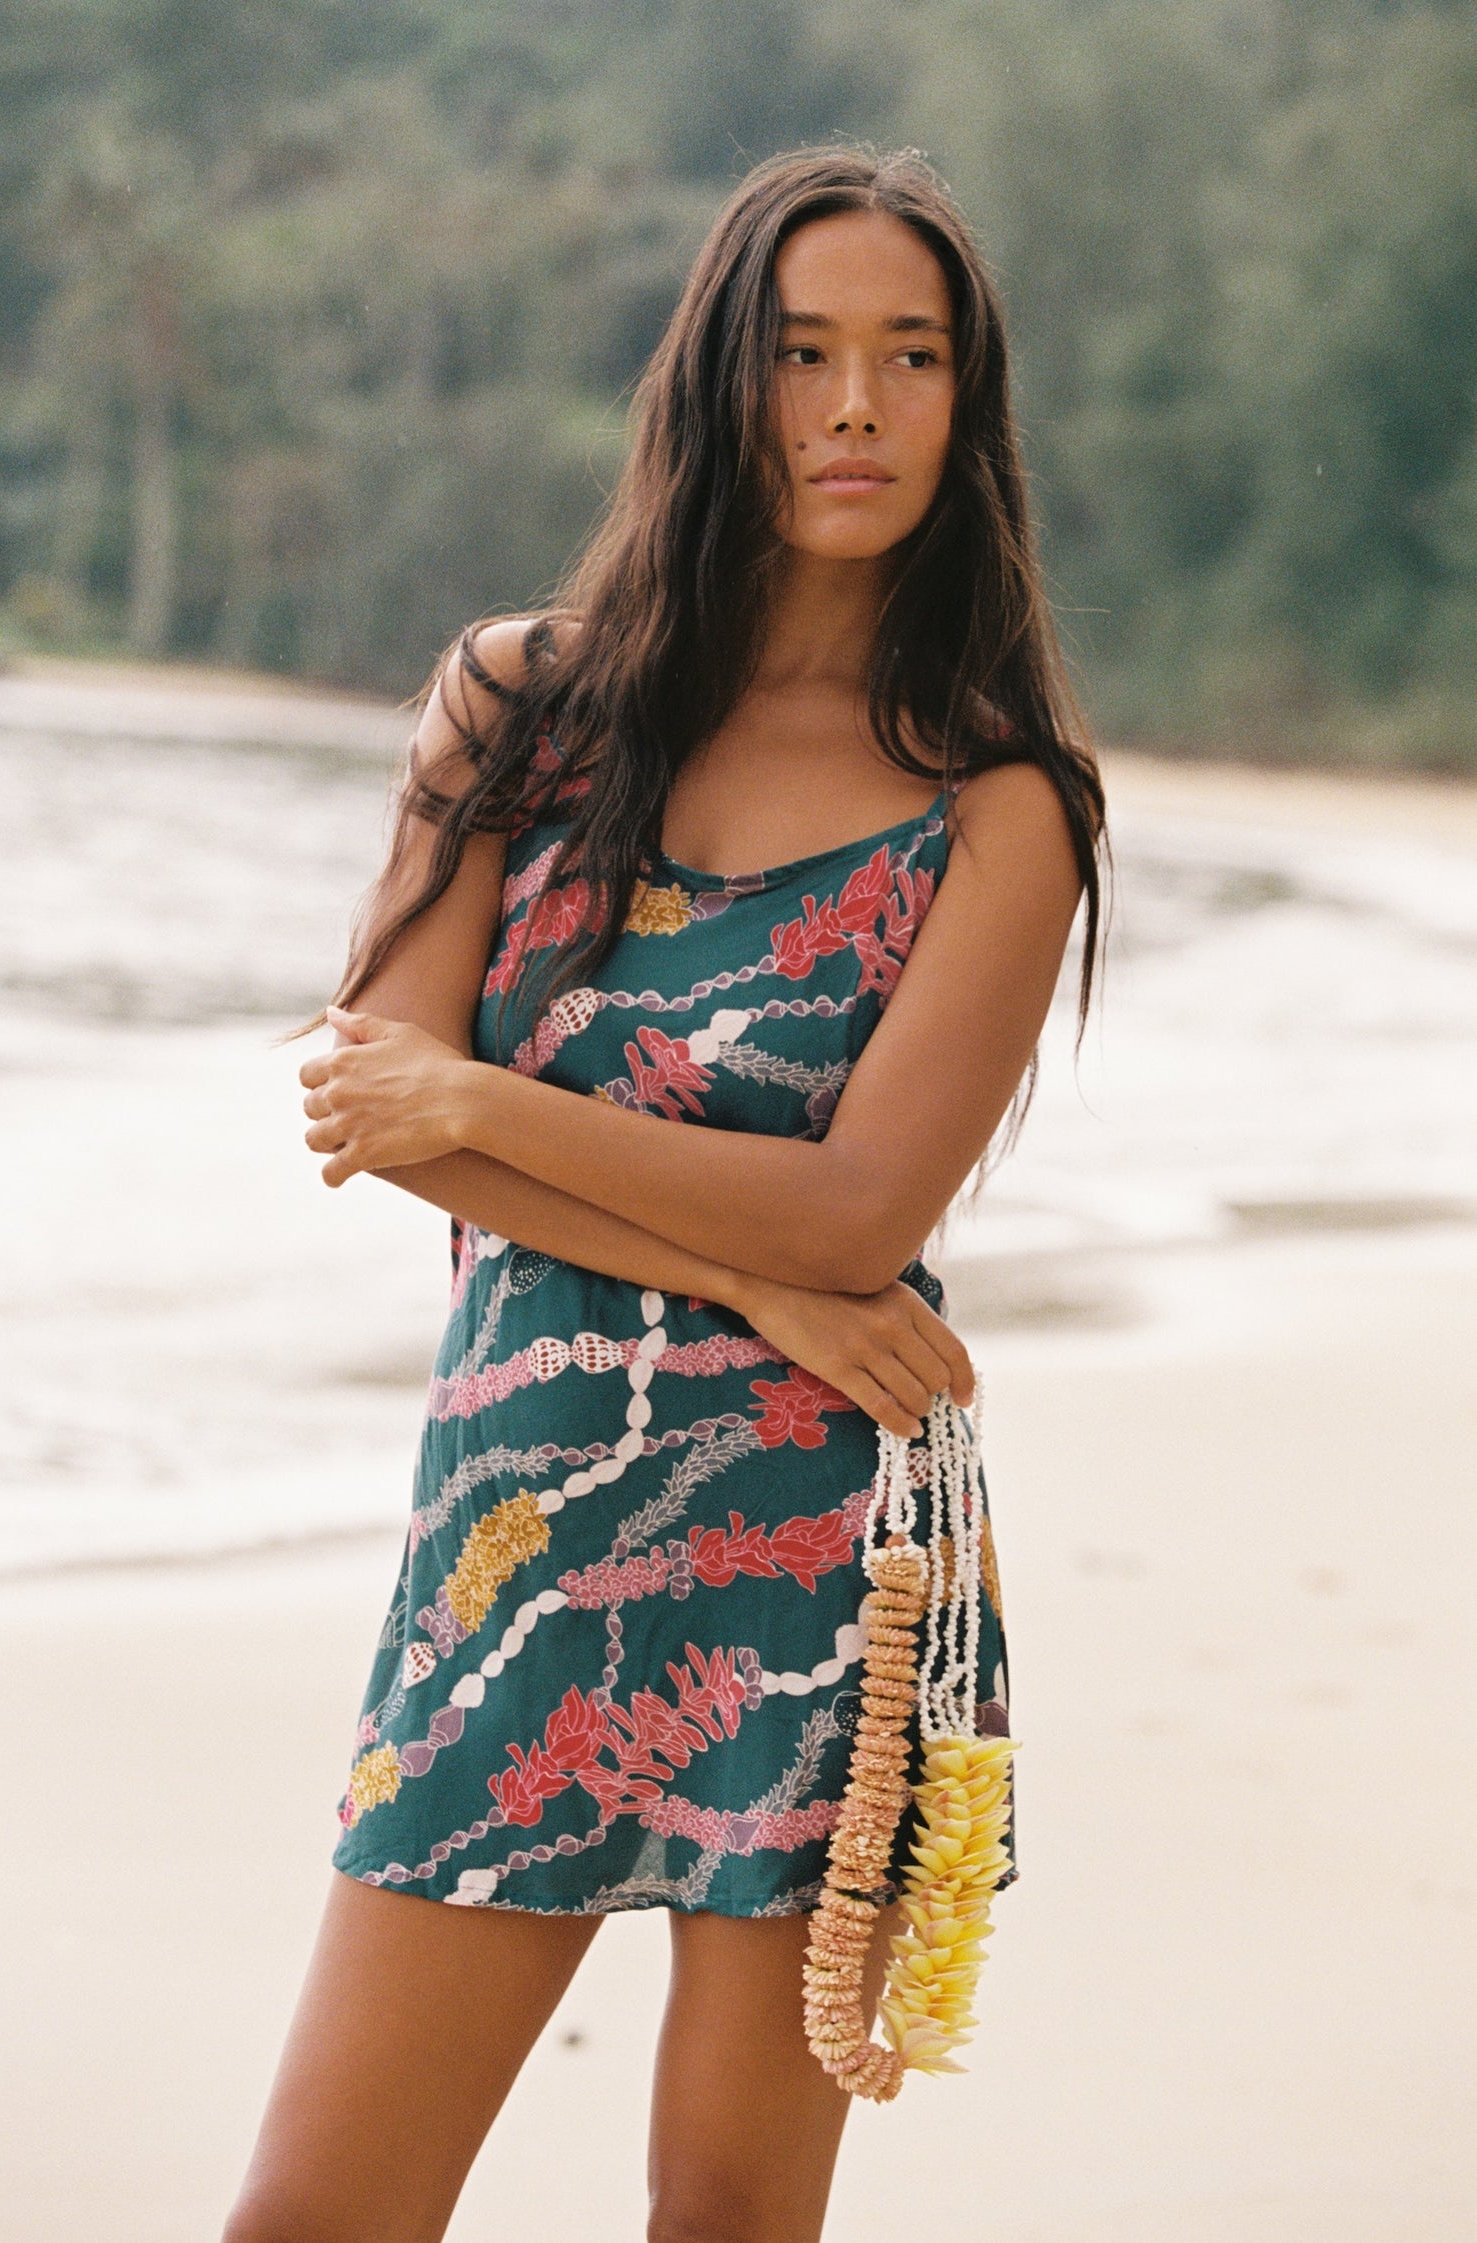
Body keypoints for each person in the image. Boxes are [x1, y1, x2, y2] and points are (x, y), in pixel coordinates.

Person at [225, 145, 1103, 2243]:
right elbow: (371, 1104)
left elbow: (858, 1221)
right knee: (313, 2214)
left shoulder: (998, 803)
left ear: (970, 409)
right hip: (515, 1535)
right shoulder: (518, 707)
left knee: (725, 2216)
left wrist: (744, 1249)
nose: (858, 409)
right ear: (719, 381)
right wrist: (770, 1280)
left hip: (819, 1568)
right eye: (804, 355)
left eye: (913, 360)